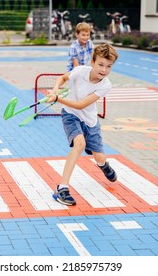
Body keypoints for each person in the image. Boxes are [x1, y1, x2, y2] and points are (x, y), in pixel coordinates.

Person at [46, 43, 119, 206]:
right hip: (70, 115)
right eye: (100, 64)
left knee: (99, 156)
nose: (104, 70)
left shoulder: (105, 84)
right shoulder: (80, 71)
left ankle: (103, 165)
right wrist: (56, 88)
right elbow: (62, 78)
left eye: (109, 66)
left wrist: (57, 99)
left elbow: (81, 105)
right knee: (79, 144)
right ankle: (62, 188)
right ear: (92, 62)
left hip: (90, 119)